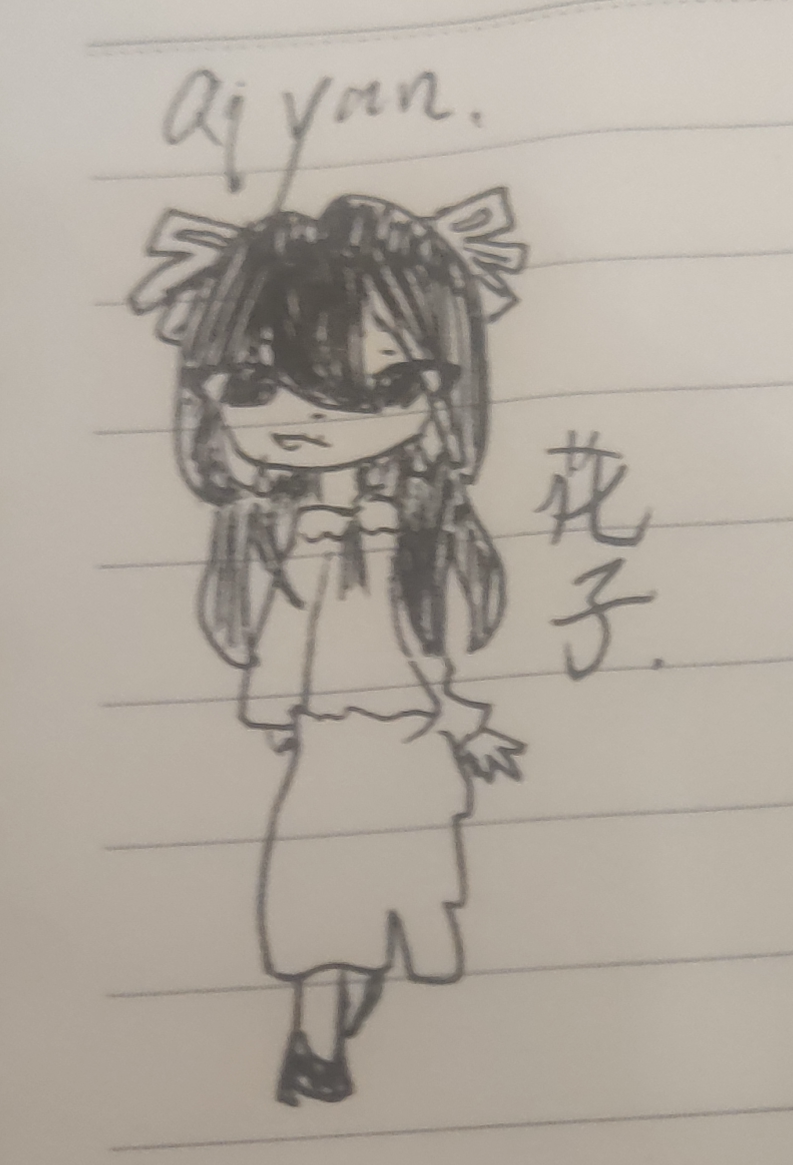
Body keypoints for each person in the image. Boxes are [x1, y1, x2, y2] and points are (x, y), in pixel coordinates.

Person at [130, 187, 528, 1105]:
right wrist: (444, 718)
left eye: (382, 386)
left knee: (374, 897)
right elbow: (311, 651)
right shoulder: (306, 536)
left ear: (436, 391)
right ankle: (318, 1050)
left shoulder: (397, 532)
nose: (307, 416)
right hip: (346, 746)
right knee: (328, 902)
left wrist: (451, 719)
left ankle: (326, 1044)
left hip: (392, 748)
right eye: (254, 386)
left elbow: (397, 651)